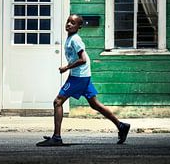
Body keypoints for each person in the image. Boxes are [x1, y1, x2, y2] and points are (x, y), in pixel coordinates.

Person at [36, 14, 130, 146]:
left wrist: (66, 68)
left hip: (79, 77)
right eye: (68, 21)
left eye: (73, 23)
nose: (69, 24)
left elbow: (83, 59)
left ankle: (56, 137)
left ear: (79, 26)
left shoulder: (75, 40)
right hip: (82, 75)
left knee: (58, 102)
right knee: (95, 104)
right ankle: (121, 126)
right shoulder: (70, 39)